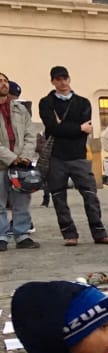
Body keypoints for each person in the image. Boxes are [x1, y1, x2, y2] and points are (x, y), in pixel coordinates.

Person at [38, 65, 108, 247]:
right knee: (59, 197)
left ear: (69, 79)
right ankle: (69, 234)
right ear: (52, 81)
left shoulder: (82, 102)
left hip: (78, 155)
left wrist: (64, 127)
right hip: (56, 156)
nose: (62, 82)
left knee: (90, 194)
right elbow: (52, 127)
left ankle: (99, 232)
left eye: (65, 78)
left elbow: (86, 129)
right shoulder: (46, 102)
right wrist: (76, 128)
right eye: (58, 79)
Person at [1, 71, 39, 251]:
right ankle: (1, 236)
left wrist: (25, 155)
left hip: (21, 164)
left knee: (22, 201)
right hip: (2, 163)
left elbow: (30, 134)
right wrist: (11, 158)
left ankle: (22, 235)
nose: (3, 84)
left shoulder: (19, 109)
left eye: (5, 81)